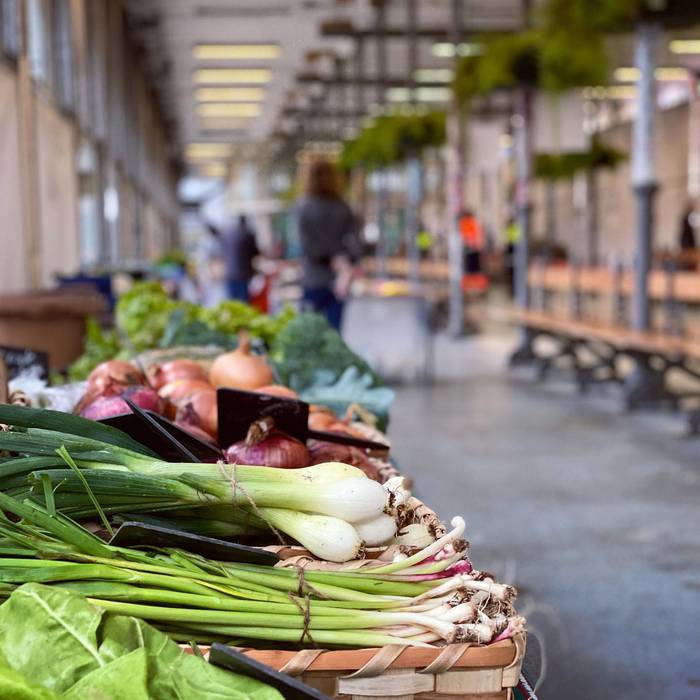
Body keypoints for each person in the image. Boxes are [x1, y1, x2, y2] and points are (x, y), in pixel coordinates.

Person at [295, 160, 361, 331]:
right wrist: (344, 265)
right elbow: (355, 245)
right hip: (339, 281)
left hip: (313, 279)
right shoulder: (343, 207)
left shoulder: (304, 207)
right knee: (334, 337)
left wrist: (331, 260)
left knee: (310, 336)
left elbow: (308, 246)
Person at [222, 214, 259, 302]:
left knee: (233, 303)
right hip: (243, 274)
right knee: (243, 303)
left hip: (229, 274)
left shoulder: (228, 235)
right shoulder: (248, 234)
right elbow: (255, 252)